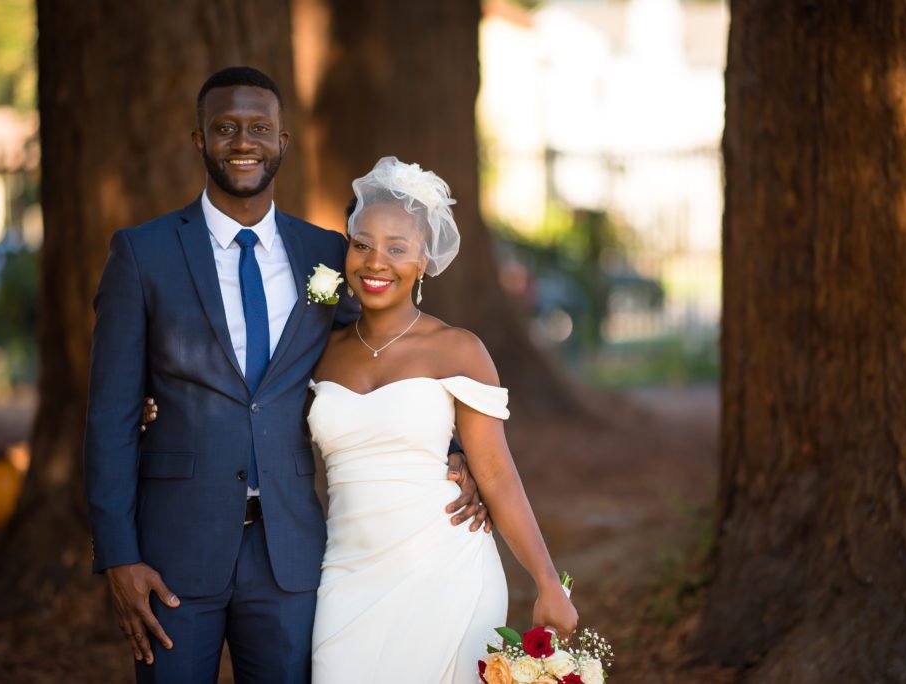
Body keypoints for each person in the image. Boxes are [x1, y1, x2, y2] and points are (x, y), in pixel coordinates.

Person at [83, 67, 487, 684]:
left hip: (290, 556)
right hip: (172, 552)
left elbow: (378, 352)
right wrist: (118, 556)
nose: (243, 142)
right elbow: (108, 416)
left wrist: (454, 448)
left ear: (282, 142)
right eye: (225, 128)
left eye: (259, 128)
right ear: (200, 140)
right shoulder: (143, 253)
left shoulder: (327, 253)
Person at [306, 157, 578, 681]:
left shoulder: (458, 349)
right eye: (361, 244)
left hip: (447, 573)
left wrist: (547, 581)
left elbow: (496, 473)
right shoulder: (319, 350)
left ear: (424, 259)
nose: (375, 262)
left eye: (397, 248)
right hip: (345, 578)